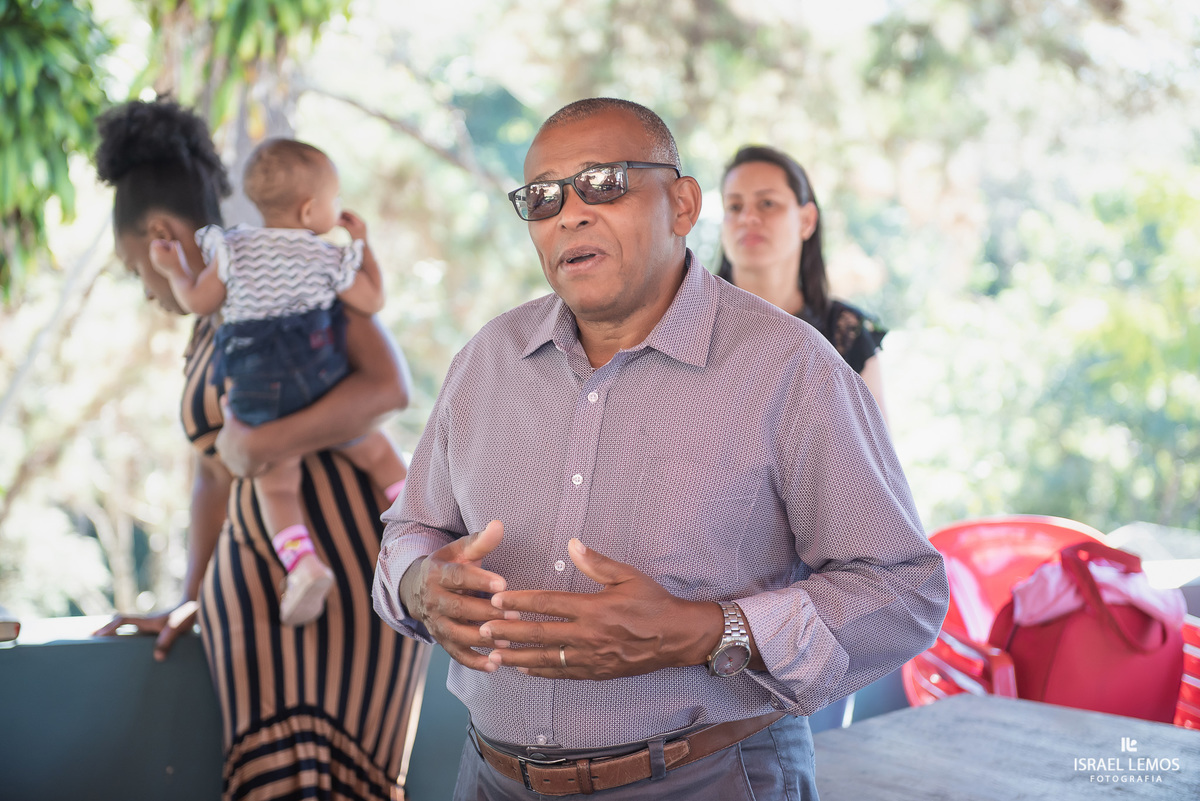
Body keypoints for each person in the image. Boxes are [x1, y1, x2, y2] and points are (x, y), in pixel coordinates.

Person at [373, 97, 948, 800]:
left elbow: (904, 589)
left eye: (604, 183)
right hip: (488, 778)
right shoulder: (486, 360)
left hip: (705, 777)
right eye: (544, 198)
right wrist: (417, 585)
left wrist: (707, 631)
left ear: (681, 205)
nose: (570, 213)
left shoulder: (793, 367)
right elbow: (411, 531)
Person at [93, 99, 428, 801]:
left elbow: (389, 386)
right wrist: (187, 595)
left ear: (158, 234)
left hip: (347, 579)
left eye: (133, 267)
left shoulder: (294, 270)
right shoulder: (208, 316)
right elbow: (211, 477)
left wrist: (263, 441)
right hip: (258, 591)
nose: (145, 288)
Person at [150, 137, 407, 625]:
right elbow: (372, 301)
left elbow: (200, 303)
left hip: (255, 389)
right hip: (319, 378)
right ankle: (422, 517)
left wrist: (176, 268)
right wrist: (362, 245)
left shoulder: (233, 248)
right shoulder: (326, 256)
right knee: (376, 451)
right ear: (311, 209)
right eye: (335, 200)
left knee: (278, 486)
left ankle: (303, 564)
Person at [718, 145, 889, 423]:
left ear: (807, 220)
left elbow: (877, 462)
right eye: (734, 206)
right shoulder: (688, 322)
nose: (747, 218)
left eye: (767, 203)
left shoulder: (848, 333)